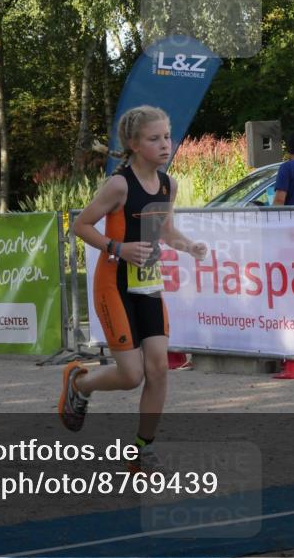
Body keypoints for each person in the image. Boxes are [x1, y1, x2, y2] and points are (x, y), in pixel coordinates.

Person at [62, 106, 207, 470]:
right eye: (154, 139)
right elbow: (81, 226)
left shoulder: (168, 185)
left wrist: (190, 246)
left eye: (167, 137)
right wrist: (118, 248)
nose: (165, 145)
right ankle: (80, 384)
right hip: (114, 286)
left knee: (158, 369)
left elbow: (166, 230)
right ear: (134, 144)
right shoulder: (119, 185)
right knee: (131, 375)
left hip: (149, 287)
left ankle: (142, 449)